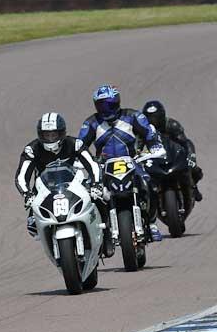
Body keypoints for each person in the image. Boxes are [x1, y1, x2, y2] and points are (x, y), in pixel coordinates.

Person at [78, 84, 165, 242]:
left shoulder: (133, 116)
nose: (105, 109)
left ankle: (152, 223)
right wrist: (80, 159)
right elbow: (80, 145)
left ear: (117, 102)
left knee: (150, 184)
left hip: (133, 161)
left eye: (108, 105)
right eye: (100, 105)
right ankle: (99, 231)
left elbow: (149, 133)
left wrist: (155, 146)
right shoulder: (91, 123)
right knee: (92, 193)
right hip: (103, 166)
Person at [15, 112, 103, 238]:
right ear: (40, 135)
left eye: (54, 134)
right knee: (33, 226)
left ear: (61, 133)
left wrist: (96, 184)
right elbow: (22, 176)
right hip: (43, 189)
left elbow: (92, 164)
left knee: (100, 198)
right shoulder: (31, 149)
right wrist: (27, 194)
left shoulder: (75, 144)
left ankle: (107, 232)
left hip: (74, 184)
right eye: (46, 135)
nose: (50, 138)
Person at [142, 100, 203, 202]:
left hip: (173, 153)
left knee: (194, 169)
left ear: (162, 115)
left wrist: (190, 157)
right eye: (150, 118)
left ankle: (194, 187)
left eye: (156, 117)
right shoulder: (143, 130)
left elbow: (185, 142)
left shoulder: (172, 125)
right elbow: (137, 145)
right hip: (154, 157)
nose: (153, 121)